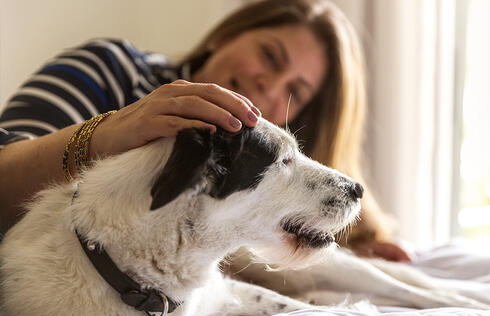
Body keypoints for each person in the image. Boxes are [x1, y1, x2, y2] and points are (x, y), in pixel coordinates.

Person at [0, 0, 409, 261]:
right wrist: (106, 134)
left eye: (294, 91)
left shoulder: (258, 167)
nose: (270, 85)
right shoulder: (110, 69)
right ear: (228, 34)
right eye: (269, 55)